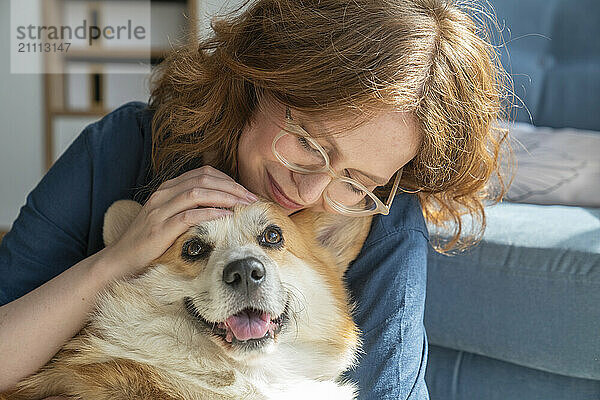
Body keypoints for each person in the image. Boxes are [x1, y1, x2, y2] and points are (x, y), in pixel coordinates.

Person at [0, 0, 510, 398]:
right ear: (262, 79)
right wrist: (115, 262)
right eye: (309, 143)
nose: (309, 192)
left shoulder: (383, 220)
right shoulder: (121, 146)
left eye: (356, 179)